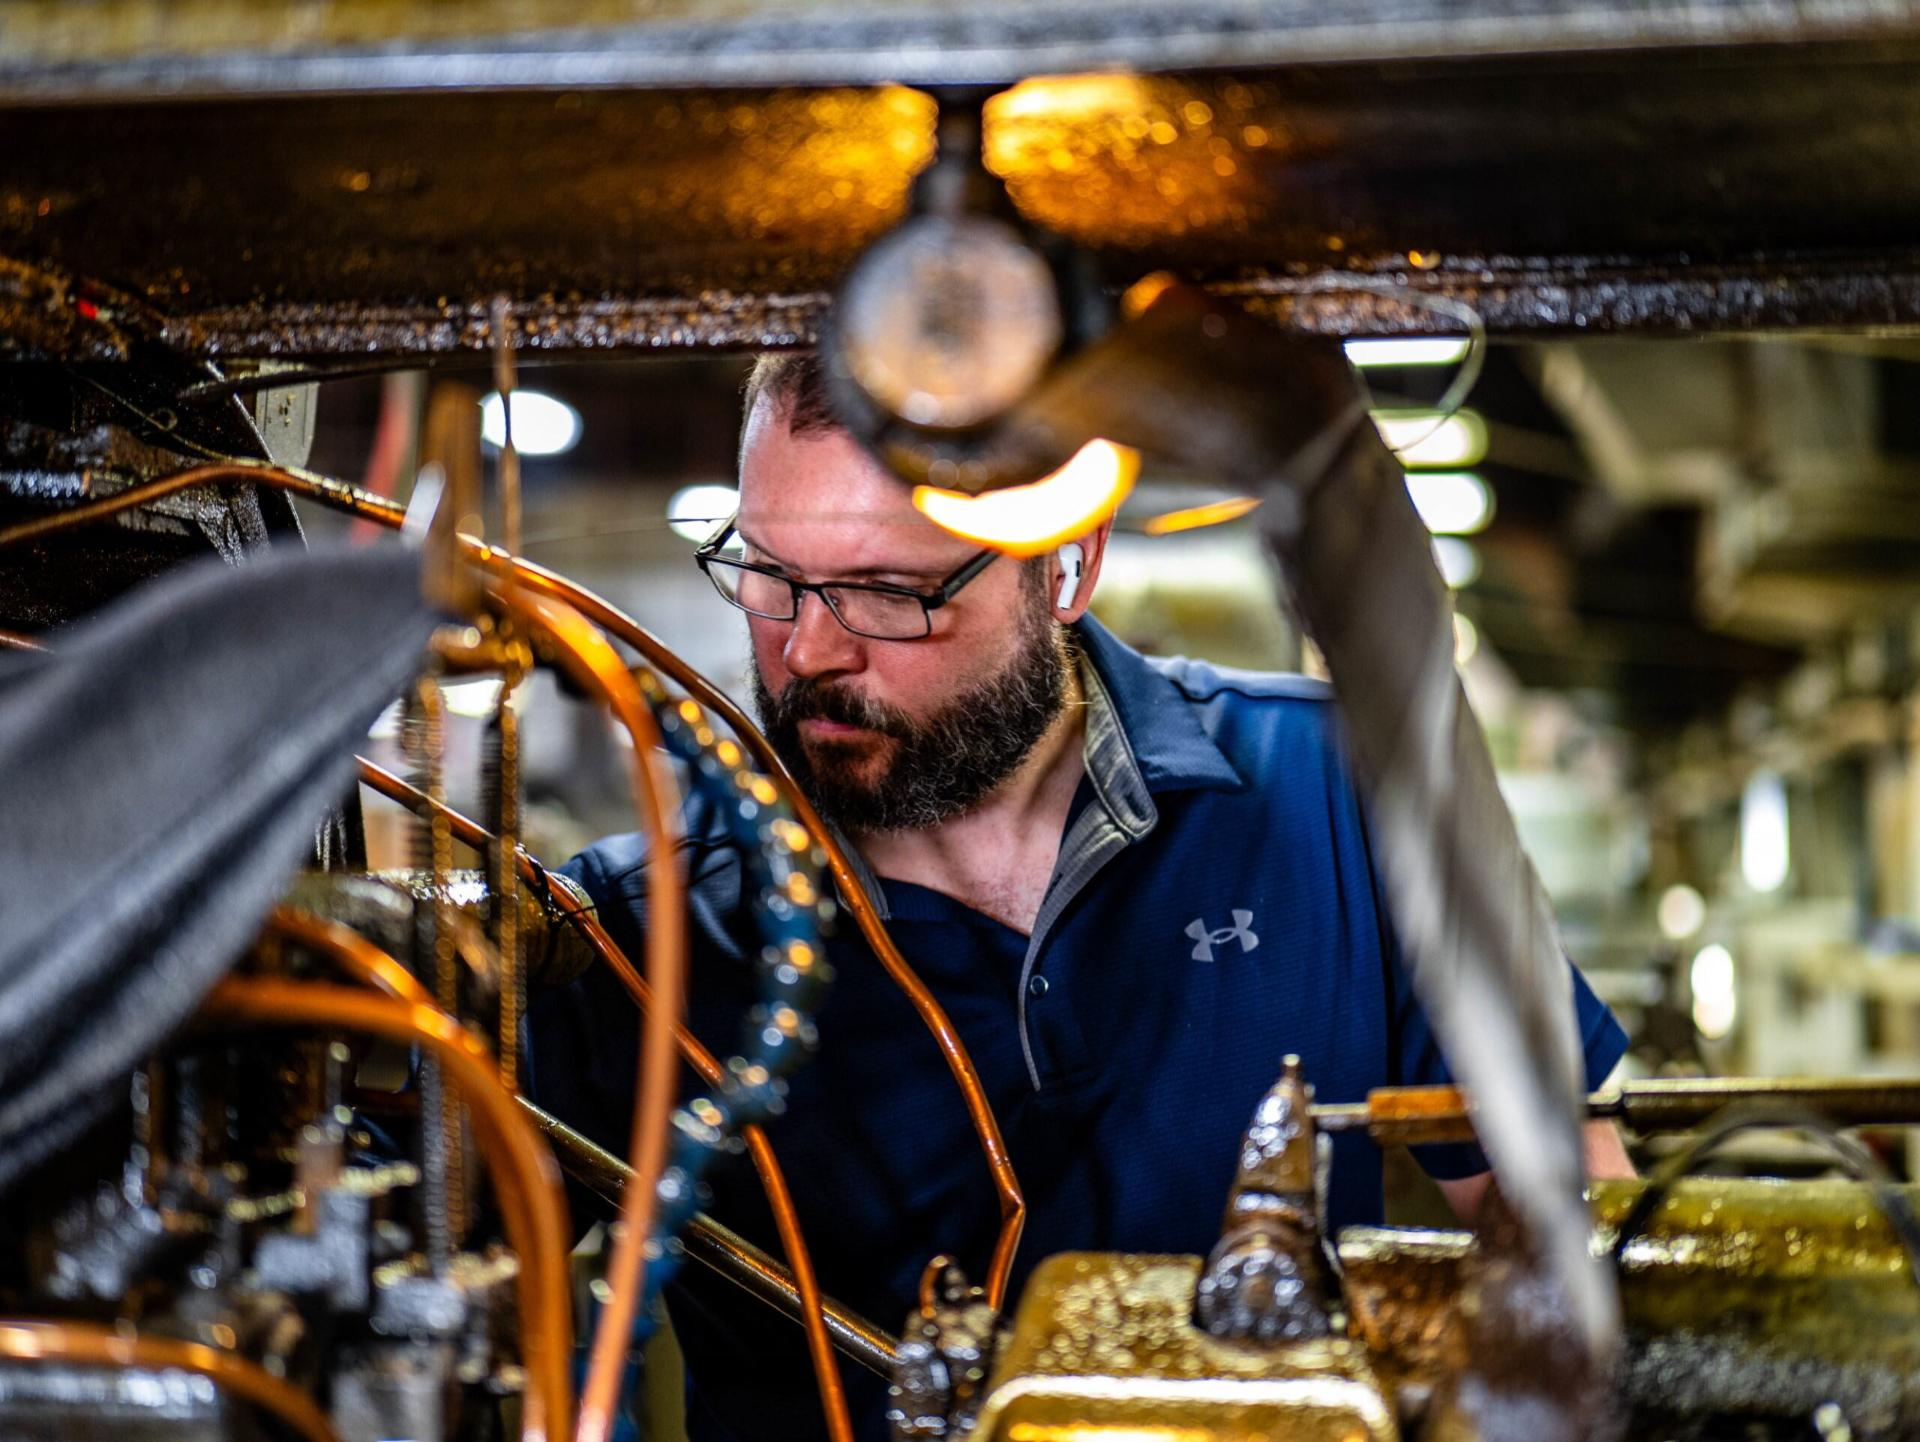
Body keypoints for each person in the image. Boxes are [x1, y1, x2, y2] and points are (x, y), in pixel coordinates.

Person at [526, 351, 1633, 1442]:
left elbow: (1567, 1217)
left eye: (888, 591)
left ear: (1064, 565)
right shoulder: (632, 939)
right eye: (769, 573)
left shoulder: (1336, 794)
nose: (810, 649)